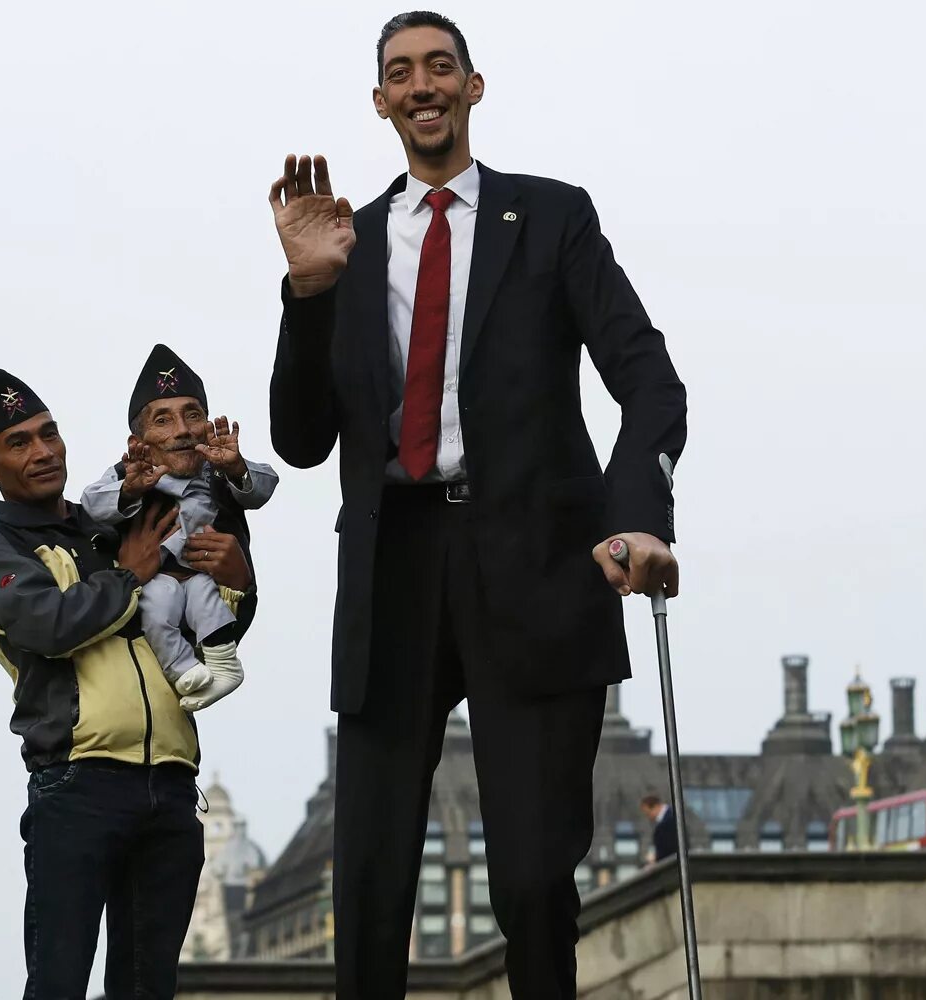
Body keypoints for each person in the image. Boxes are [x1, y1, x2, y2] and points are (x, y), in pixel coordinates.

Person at [266, 11, 686, 998]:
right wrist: (306, 290)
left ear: (472, 87)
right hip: (393, 565)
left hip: (536, 563)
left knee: (535, 881)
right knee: (367, 888)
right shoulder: (346, 243)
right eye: (401, 72)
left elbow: (649, 379)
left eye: (440, 67)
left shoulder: (552, 217)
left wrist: (637, 516)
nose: (423, 85)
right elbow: (300, 439)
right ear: (380, 101)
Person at [0, 369, 252, 999]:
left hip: (170, 784)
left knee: (148, 989)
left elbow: (205, 621)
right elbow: (50, 626)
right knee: (58, 984)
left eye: (49, 434)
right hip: (76, 785)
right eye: (19, 442)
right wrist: (127, 577)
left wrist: (241, 578)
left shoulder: (115, 522)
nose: (43, 451)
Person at [82, 344, 278, 712]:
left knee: (206, 604)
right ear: (138, 443)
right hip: (156, 586)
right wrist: (129, 490)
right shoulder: (128, 474)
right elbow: (93, 504)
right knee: (157, 606)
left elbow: (264, 484)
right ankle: (184, 670)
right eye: (163, 420)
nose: (182, 431)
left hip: (203, 579)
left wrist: (235, 468)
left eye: (193, 416)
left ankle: (222, 664)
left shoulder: (217, 467)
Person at [641, 794, 678, 864]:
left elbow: (670, 848)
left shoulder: (671, 820)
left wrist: (656, 857)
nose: (649, 818)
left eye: (648, 814)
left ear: (655, 807)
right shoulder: (668, 818)